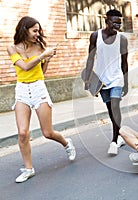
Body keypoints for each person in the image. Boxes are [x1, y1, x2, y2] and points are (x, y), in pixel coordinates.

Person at [7, 16, 76, 183]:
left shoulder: (39, 46)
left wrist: (47, 59)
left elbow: (41, 72)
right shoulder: (13, 48)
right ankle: (28, 169)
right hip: (22, 89)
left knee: (47, 132)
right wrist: (42, 56)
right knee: (23, 133)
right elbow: (24, 66)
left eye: (39, 31)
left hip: (39, 88)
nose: (37, 34)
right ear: (24, 30)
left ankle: (67, 143)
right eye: (34, 31)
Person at [84, 9, 128, 155]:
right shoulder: (95, 36)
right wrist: (87, 79)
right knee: (110, 110)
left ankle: (114, 141)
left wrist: (126, 83)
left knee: (115, 106)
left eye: (120, 23)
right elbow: (90, 58)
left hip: (116, 79)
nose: (118, 26)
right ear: (106, 21)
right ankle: (120, 135)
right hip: (102, 81)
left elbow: (124, 63)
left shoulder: (122, 39)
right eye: (115, 23)